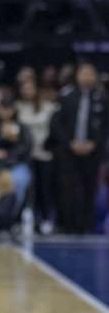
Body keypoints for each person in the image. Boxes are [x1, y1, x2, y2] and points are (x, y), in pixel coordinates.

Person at [50, 61, 107, 234]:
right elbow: (57, 124)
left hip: (92, 152)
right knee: (69, 189)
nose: (86, 77)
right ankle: (69, 225)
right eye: (83, 73)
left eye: (90, 73)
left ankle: (87, 226)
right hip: (69, 151)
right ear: (77, 75)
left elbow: (105, 126)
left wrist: (94, 143)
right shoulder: (67, 97)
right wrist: (70, 143)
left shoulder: (102, 99)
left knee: (90, 189)